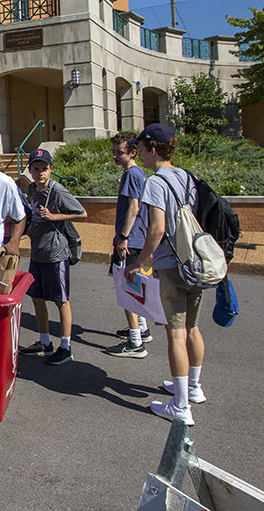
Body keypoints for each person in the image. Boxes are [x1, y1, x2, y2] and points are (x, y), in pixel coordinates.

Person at [123, 123, 205, 426]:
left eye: (141, 148)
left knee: (176, 332)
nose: (139, 153)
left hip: (171, 265)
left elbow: (157, 229)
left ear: (153, 148)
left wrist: (139, 262)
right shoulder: (187, 177)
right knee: (193, 328)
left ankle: (180, 404)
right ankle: (193, 387)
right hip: (193, 262)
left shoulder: (155, 182)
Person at [18, 148, 88, 365]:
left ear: (50, 169)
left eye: (45, 169)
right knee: (36, 298)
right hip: (38, 253)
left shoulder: (57, 190)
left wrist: (55, 216)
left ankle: (65, 347)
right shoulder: (31, 188)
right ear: (30, 170)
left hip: (56, 254)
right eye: (36, 169)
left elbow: (83, 213)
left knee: (61, 300)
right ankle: (45, 342)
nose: (41, 173)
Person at [105, 132, 151, 358]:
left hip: (130, 241)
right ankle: (142, 329)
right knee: (134, 286)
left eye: (119, 152)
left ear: (133, 152)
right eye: (113, 152)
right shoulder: (134, 173)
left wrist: (123, 237)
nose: (115, 156)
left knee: (127, 290)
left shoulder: (132, 174)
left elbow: (134, 208)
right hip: (135, 239)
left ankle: (136, 343)